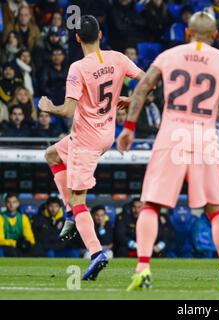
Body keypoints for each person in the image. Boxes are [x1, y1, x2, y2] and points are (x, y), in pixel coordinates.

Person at [117, 11, 219, 291]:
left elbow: (141, 89)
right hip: (204, 137)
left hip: (170, 134)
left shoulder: (169, 55)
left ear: (187, 33)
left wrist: (129, 127)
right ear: (215, 35)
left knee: (151, 204)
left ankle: (142, 268)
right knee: (217, 209)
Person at [37, 15, 144, 281]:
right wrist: (132, 99)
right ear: (100, 35)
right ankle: (68, 212)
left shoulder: (77, 68)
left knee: (79, 201)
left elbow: (68, 110)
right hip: (105, 133)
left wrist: (50, 108)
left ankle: (96, 253)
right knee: (51, 154)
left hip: (86, 139)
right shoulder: (117, 58)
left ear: (76, 39)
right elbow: (148, 80)